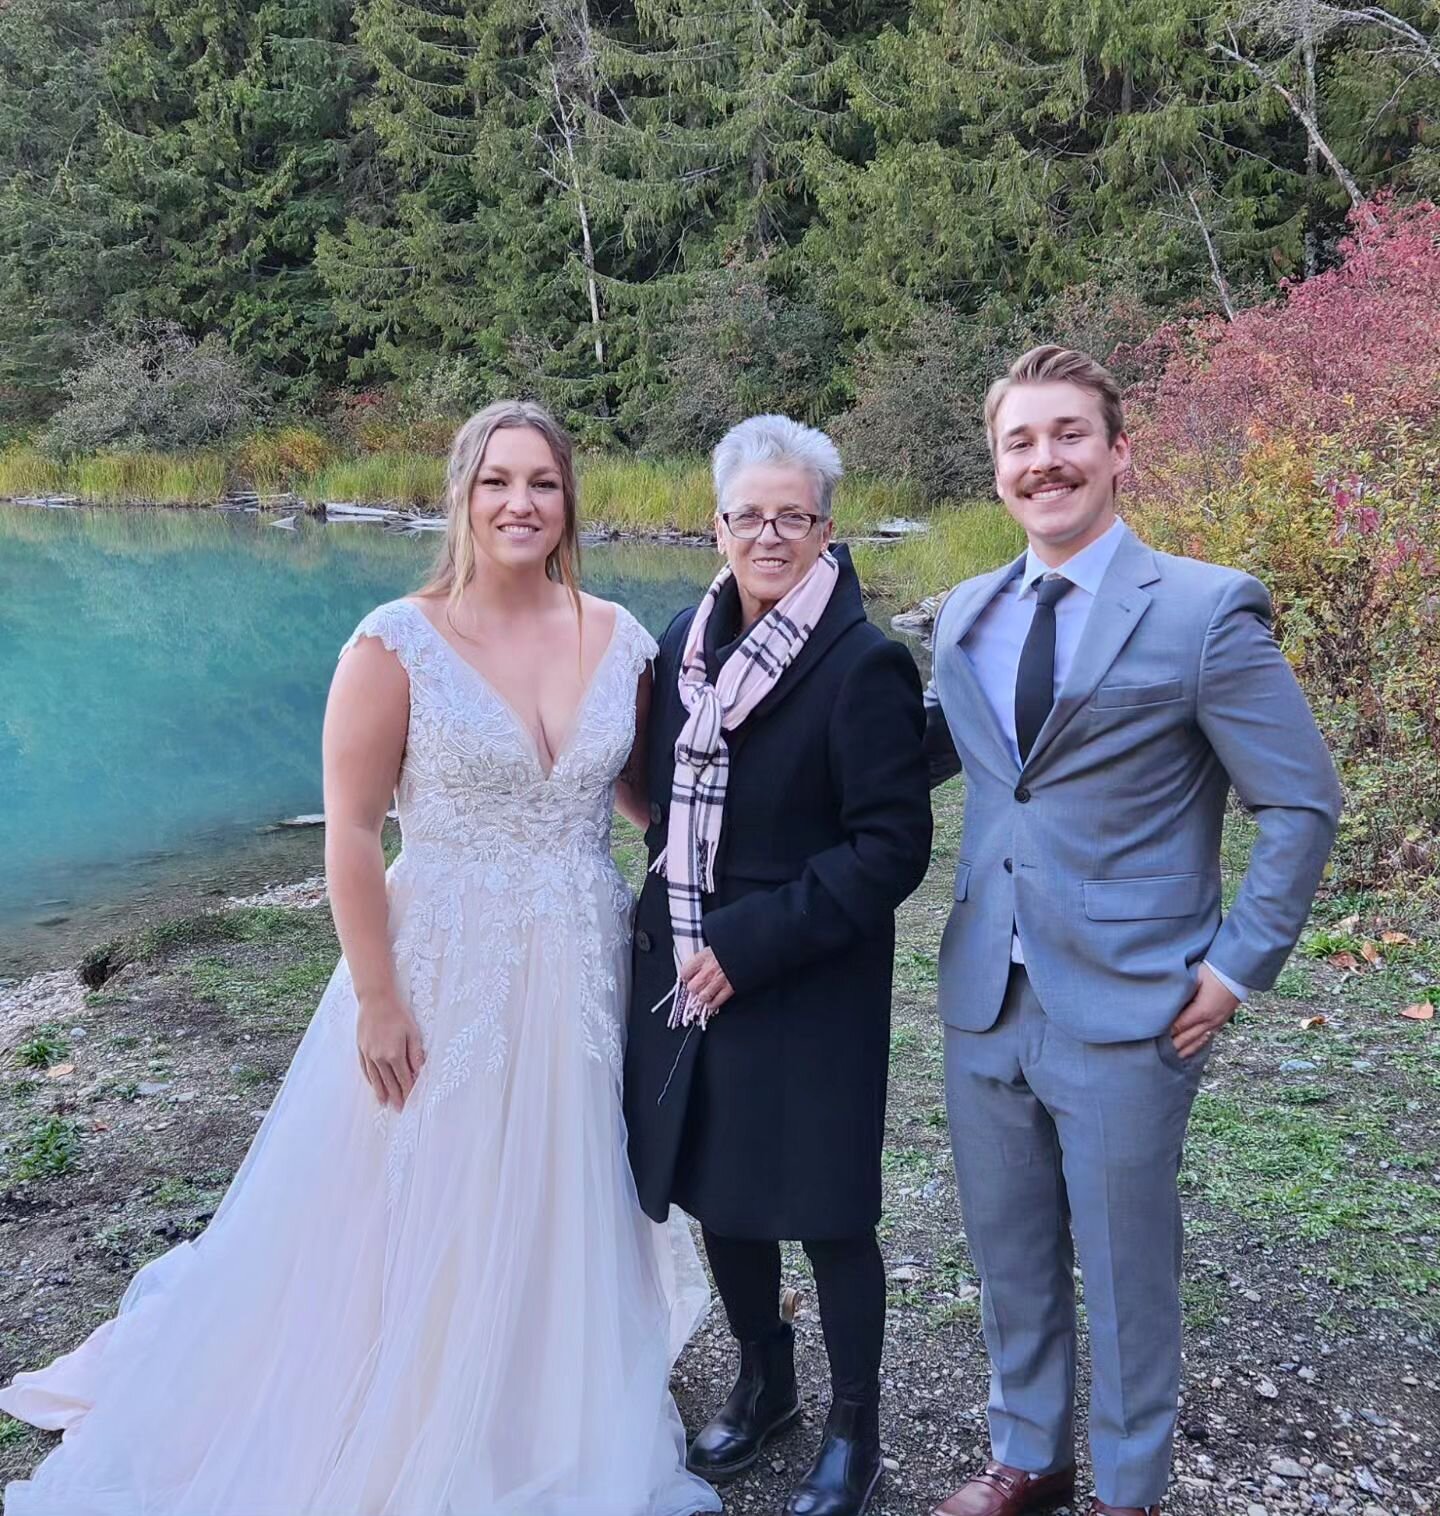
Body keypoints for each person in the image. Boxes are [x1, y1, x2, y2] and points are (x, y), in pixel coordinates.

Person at [0, 400, 722, 1516]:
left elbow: (637, 796)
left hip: (579, 960)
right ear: (461, 495)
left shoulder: (620, 636)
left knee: (561, 1171)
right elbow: (348, 831)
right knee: (422, 1182)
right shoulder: (398, 640)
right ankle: (405, 1383)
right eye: (497, 481)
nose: (520, 503)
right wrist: (377, 997)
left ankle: (537, 1386)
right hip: (440, 959)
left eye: (541, 481)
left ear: (570, 497)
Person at [923, 347, 1343, 1516]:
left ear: (1117, 451)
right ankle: (1030, 1455)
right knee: (1007, 1252)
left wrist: (1236, 966)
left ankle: (1129, 1485)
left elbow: (1301, 802)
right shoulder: (966, 614)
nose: (1044, 460)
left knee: (1124, 1263)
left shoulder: (1207, 609)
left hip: (1132, 996)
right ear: (997, 465)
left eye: (1068, 435)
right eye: (1021, 441)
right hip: (984, 991)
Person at [624, 415, 933, 1516]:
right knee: (721, 1192)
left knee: (830, 1210)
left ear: (826, 527)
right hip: (684, 969)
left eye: (791, 515)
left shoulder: (865, 663)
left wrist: (744, 946)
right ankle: (767, 1381)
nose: (769, 533)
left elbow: (891, 848)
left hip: (806, 978)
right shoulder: (682, 636)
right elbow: (658, 794)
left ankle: (857, 1429)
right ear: (716, 522)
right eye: (748, 513)